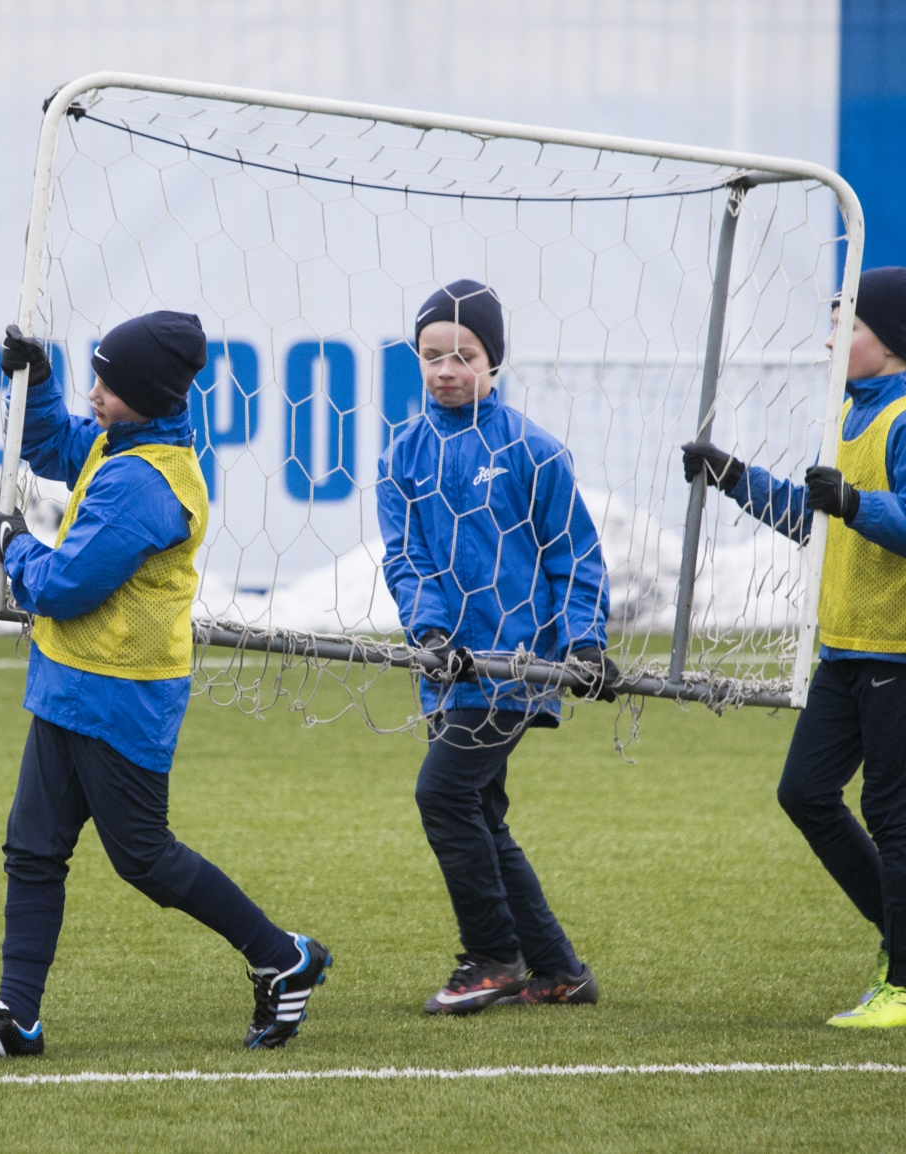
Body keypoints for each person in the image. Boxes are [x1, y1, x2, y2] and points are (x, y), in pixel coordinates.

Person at [0, 312, 330, 1059]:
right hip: (69, 685)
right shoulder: (121, 443)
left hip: (121, 695)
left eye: (108, 385)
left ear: (147, 396)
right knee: (33, 848)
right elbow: (49, 445)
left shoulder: (147, 483)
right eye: (95, 379)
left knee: (145, 858)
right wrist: (34, 383)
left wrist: (16, 548)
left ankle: (282, 955)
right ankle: (16, 1016)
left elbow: (68, 584)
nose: (95, 394)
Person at [682, 266, 906, 1029]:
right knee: (804, 793)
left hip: (902, 651)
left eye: (850, 325)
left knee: (890, 810)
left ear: (893, 344)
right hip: (847, 646)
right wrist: (734, 478)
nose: (834, 336)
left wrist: (855, 501)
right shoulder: (849, 414)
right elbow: (818, 518)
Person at [377, 279, 616, 1016]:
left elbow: (573, 555)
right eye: (432, 356)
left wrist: (584, 642)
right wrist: (431, 633)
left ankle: (492, 956)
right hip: (445, 670)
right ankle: (557, 970)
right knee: (479, 812)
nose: (447, 370)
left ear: (495, 361)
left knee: (442, 793)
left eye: (464, 355)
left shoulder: (534, 453)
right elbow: (405, 557)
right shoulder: (402, 455)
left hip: (513, 670)